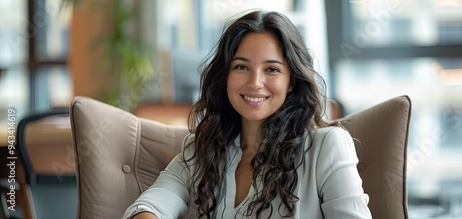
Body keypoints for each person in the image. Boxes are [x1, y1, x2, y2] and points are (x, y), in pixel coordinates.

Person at [123, 10, 371, 219]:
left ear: (292, 81)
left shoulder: (327, 147)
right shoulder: (201, 149)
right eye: (241, 67)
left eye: (271, 69)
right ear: (226, 76)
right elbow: (150, 206)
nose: (255, 82)